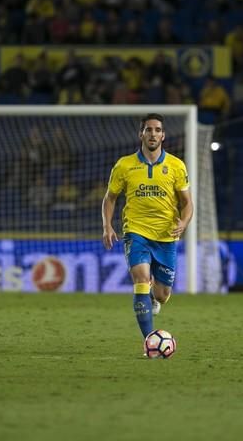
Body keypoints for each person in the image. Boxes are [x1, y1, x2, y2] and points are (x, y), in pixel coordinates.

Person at [101, 113, 193, 347]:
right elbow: (110, 198)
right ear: (140, 134)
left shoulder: (176, 165)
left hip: (165, 236)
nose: (153, 134)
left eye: (157, 130)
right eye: (148, 129)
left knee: (162, 294)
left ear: (163, 135)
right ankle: (150, 341)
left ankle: (153, 297)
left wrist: (183, 222)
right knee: (141, 278)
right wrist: (107, 225)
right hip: (136, 231)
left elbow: (187, 203)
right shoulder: (124, 165)